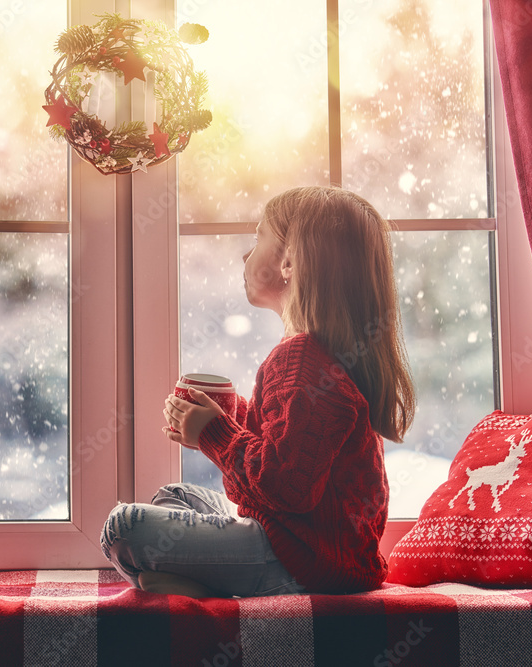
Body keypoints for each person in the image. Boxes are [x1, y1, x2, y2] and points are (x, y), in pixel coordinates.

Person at [101, 186, 416, 597]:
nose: (245, 256)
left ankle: (207, 582)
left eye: (257, 239)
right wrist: (226, 415)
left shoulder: (303, 359)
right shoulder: (319, 357)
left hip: (300, 563)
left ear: (288, 262)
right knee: (175, 494)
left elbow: (286, 486)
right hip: (310, 551)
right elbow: (291, 444)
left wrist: (214, 433)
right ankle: (192, 580)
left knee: (122, 528)